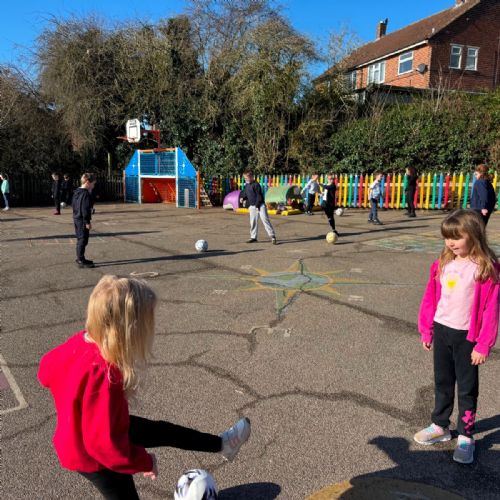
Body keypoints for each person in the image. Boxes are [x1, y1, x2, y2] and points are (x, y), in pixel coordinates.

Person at [38, 275, 251, 499]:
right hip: (93, 458)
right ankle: (221, 444)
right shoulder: (105, 375)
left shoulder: (81, 342)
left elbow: (45, 372)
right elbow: (104, 447)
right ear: (128, 331)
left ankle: (223, 444)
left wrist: (72, 393)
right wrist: (143, 461)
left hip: (95, 431)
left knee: (162, 431)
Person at [415, 209, 499, 464]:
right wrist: (427, 329)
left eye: (456, 237)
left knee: (466, 388)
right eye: (446, 237)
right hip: (442, 331)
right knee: (442, 381)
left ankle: (466, 436)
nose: (450, 242)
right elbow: (431, 299)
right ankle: (440, 426)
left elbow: (491, 310)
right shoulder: (443, 264)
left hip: (467, 338)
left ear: (473, 236)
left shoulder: (485, 268)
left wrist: (483, 344)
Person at [242, 169, 277, 244]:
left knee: (265, 220)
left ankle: (272, 236)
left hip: (260, 206)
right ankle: (253, 237)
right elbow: (246, 193)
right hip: (252, 206)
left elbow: (259, 196)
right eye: (244, 178)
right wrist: (243, 198)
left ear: (251, 177)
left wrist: (257, 205)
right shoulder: (247, 185)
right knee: (253, 222)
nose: (245, 179)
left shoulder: (256, 185)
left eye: (246, 178)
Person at [72, 173, 96, 268]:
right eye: (93, 183)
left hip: (77, 218)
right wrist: (87, 222)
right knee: (83, 240)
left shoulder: (77, 191)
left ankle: (81, 258)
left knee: (80, 239)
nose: (94, 186)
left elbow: (74, 205)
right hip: (82, 219)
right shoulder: (85, 193)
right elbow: (84, 209)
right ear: (87, 182)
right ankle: (80, 260)